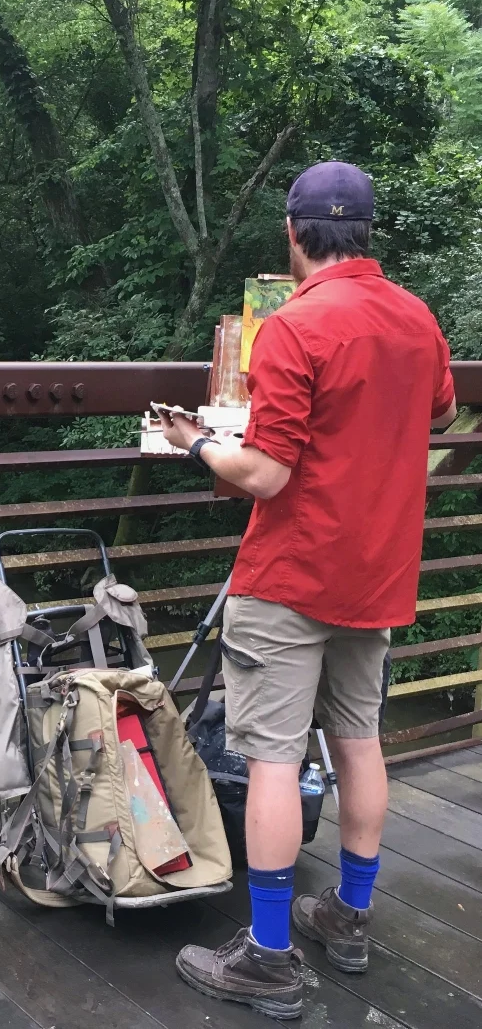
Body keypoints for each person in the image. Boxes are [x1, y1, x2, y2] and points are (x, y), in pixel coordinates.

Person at [157, 161, 457, 1021]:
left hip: (291, 574)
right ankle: (348, 918)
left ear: (293, 234)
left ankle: (267, 957)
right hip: (379, 568)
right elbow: (440, 412)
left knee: (274, 761)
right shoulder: (416, 317)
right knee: (359, 740)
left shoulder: (293, 326)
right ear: (365, 233)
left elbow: (265, 473)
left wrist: (193, 444)